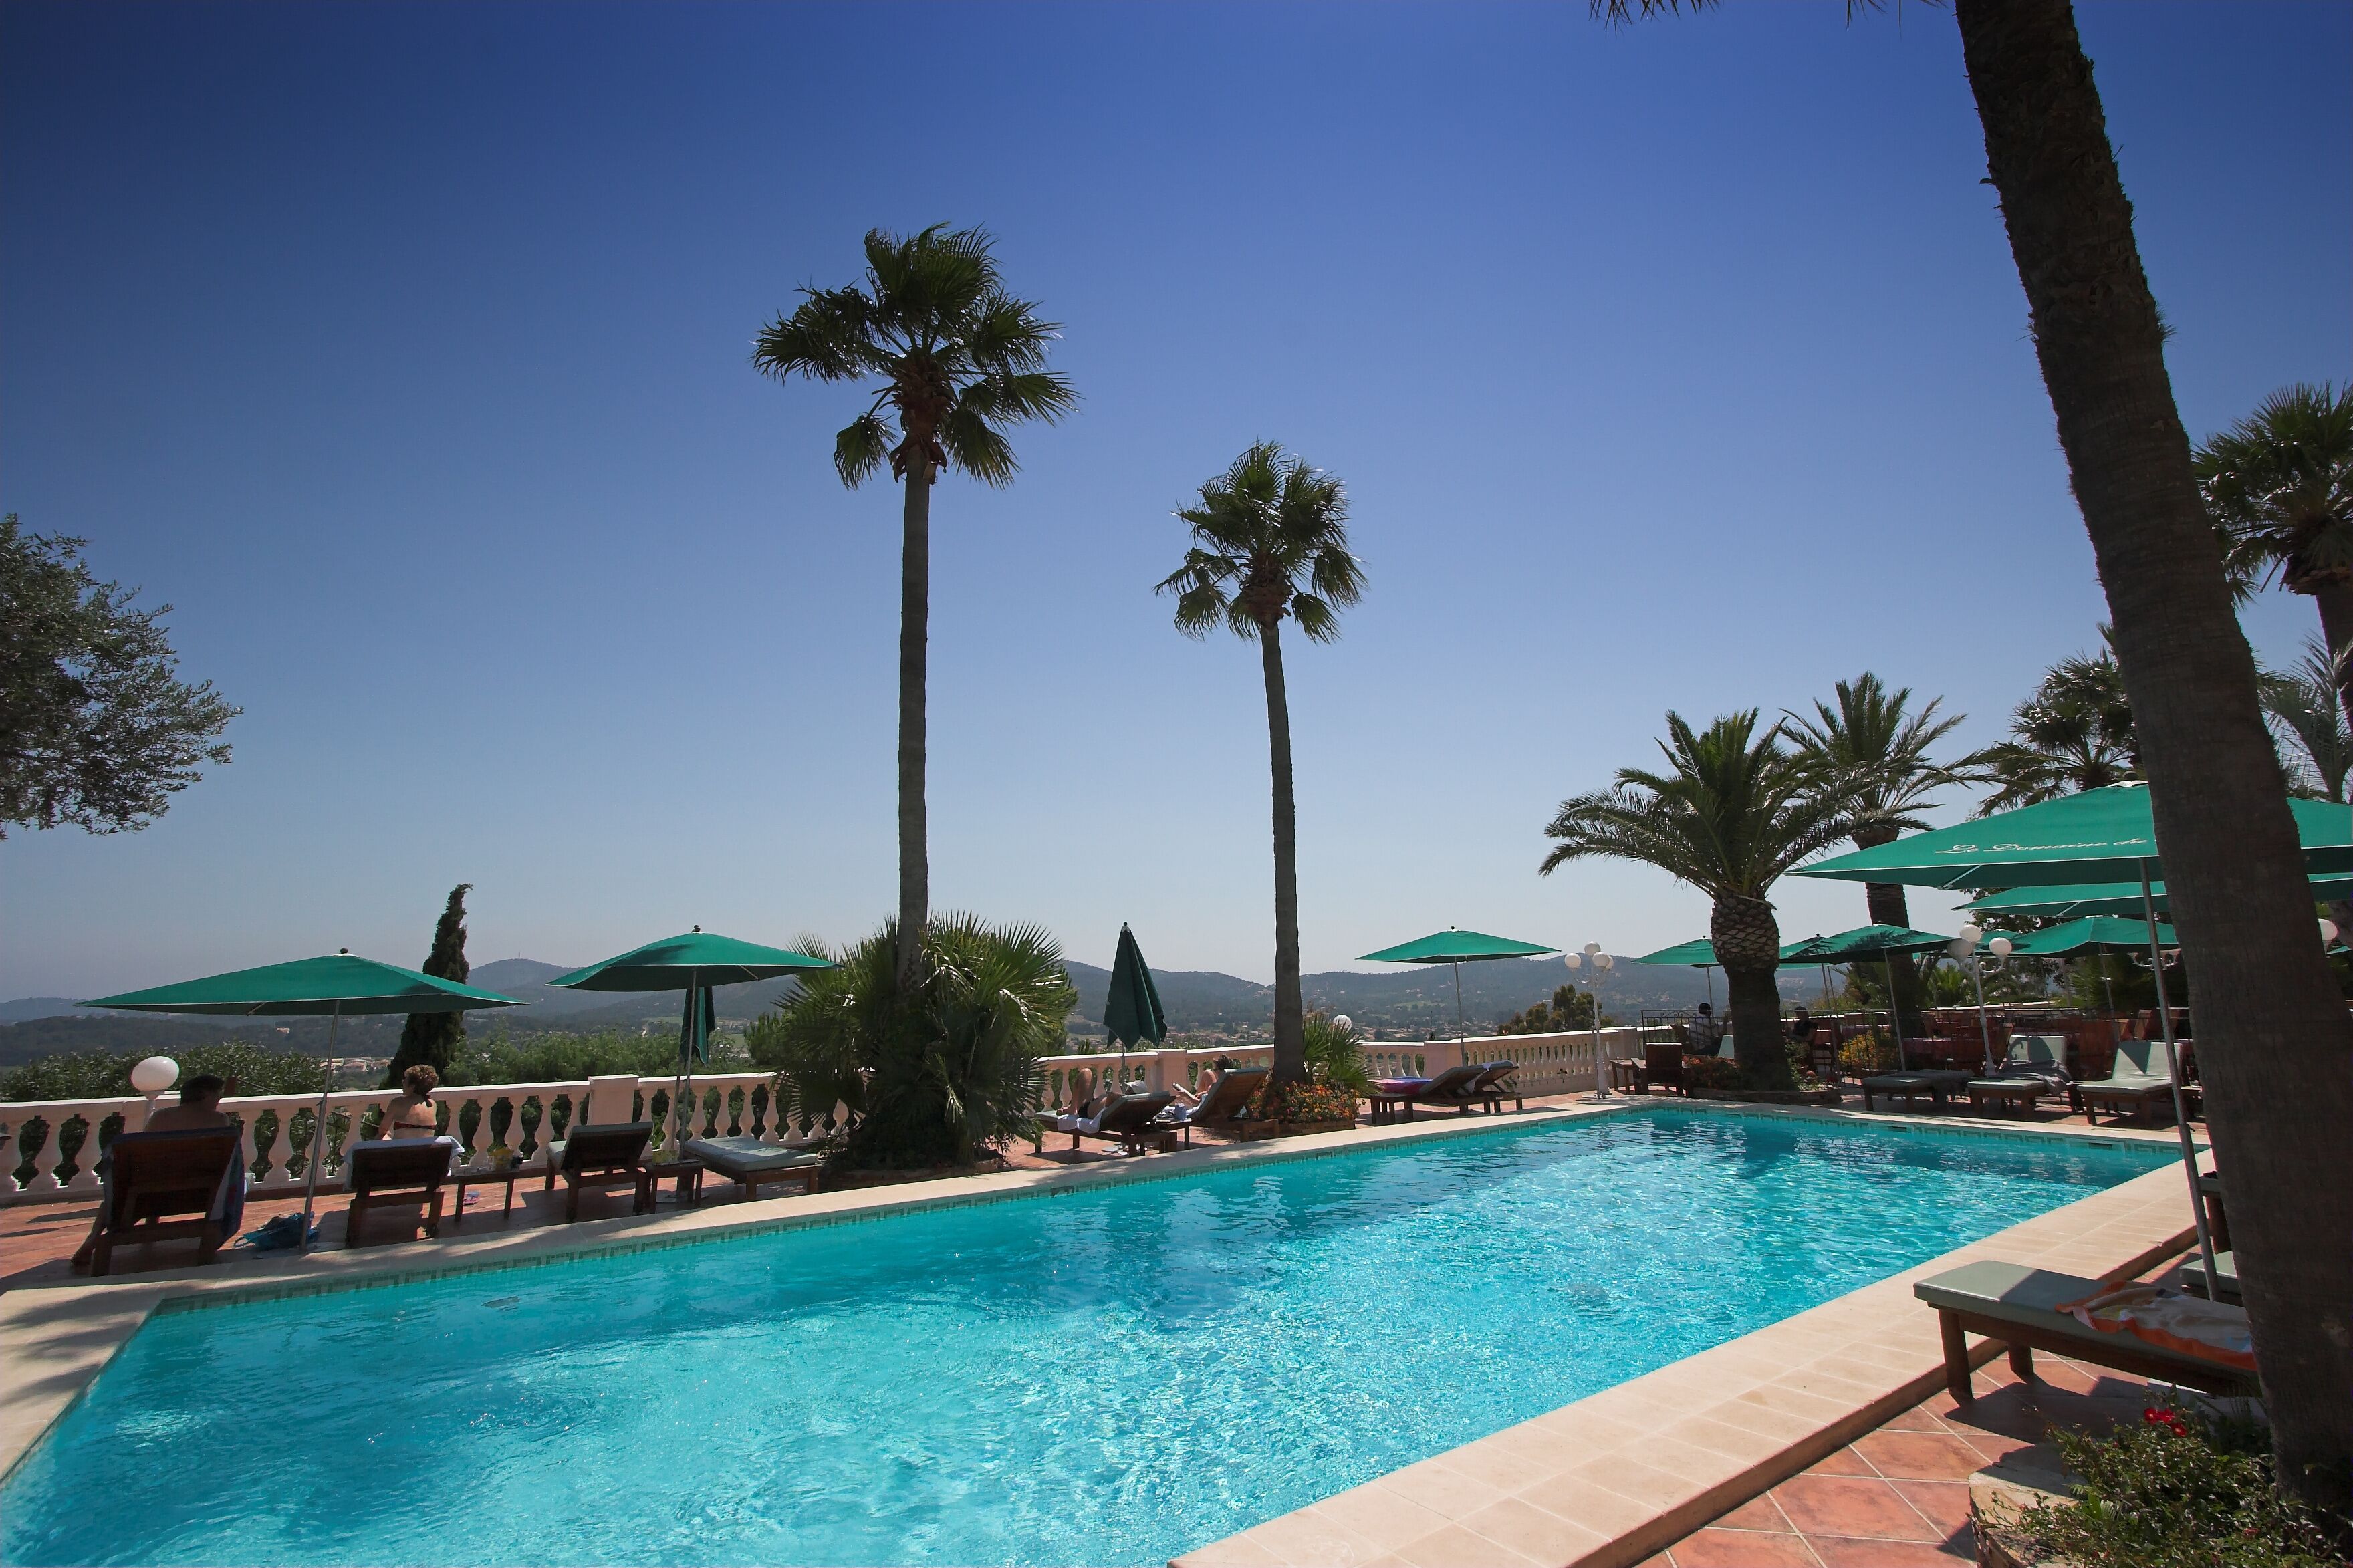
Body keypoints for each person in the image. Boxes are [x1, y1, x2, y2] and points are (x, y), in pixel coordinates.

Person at [70, 1073, 243, 1271]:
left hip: (147, 1196)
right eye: (217, 1094)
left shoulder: (161, 1117)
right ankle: (214, 1240)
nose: (219, 1099)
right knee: (240, 1183)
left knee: (113, 1201)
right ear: (204, 1095)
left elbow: (144, 1157)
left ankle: (93, 1239)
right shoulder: (219, 1120)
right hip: (202, 1196)